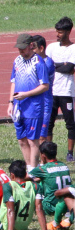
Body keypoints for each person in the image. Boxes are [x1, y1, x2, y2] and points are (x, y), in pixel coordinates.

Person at [9, 33, 50, 169]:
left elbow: (45, 86)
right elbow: (13, 82)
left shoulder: (39, 63)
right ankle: (28, 167)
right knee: (21, 140)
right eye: (19, 48)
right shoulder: (17, 61)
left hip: (33, 107)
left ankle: (33, 169)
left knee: (33, 140)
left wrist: (26, 94)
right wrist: (10, 102)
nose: (21, 51)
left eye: (23, 48)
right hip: (18, 106)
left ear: (31, 46)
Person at [46, 17, 75, 161]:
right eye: (57, 32)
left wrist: (56, 65)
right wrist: (62, 65)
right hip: (51, 92)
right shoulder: (51, 47)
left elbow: (69, 67)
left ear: (69, 32)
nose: (58, 34)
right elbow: (47, 65)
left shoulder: (73, 48)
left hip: (66, 91)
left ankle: (70, 153)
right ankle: (48, 151)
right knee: (49, 123)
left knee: (70, 123)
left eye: (61, 32)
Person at [29, 142, 73, 230]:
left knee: (32, 184)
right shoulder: (64, 165)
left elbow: (22, 177)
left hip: (49, 206)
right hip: (67, 204)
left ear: (43, 155)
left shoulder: (43, 169)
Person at [31, 35, 55, 143]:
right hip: (35, 102)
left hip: (44, 102)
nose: (31, 51)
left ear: (41, 48)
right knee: (32, 133)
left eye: (33, 48)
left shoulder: (47, 63)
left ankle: (43, 159)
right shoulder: (34, 61)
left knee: (41, 135)